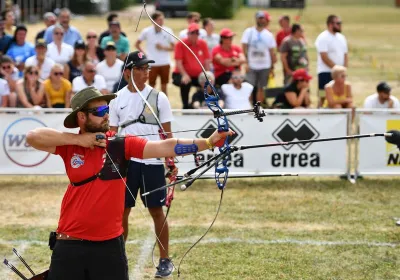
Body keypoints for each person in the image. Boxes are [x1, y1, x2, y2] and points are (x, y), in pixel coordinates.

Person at [26, 86, 232, 280]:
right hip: (69, 243)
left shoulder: (120, 145)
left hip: (110, 247)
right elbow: (32, 136)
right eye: (99, 110)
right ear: (82, 116)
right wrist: (79, 140)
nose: (106, 114)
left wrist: (207, 142)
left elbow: (165, 147)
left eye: (107, 108)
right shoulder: (69, 146)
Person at [109, 50, 177, 278]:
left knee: (157, 211)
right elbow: (112, 133)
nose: (146, 72)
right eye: (140, 68)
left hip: (152, 161)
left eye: (147, 68)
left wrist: (171, 161)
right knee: (122, 211)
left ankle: (165, 260)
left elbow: (168, 134)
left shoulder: (160, 97)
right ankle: (118, 260)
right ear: (128, 72)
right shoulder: (116, 99)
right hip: (127, 163)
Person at [135, 11, 175, 95]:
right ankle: (151, 106)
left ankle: (164, 106)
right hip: (151, 64)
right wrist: (144, 55)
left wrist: (163, 47)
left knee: (164, 87)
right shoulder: (146, 31)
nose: (162, 21)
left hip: (165, 62)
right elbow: (137, 44)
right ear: (153, 21)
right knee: (151, 87)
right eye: (159, 19)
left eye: (162, 19)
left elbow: (173, 47)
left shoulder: (168, 30)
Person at [241, 10, 276, 103]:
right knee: (249, 87)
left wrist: (272, 66)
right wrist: (246, 63)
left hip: (265, 65)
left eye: (263, 18)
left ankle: (258, 107)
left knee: (261, 87)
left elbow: (272, 51)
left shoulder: (268, 34)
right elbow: (244, 48)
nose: (262, 20)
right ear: (256, 19)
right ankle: (248, 106)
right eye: (260, 18)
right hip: (252, 64)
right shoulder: (249, 32)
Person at [173, 23, 210, 109]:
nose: (195, 35)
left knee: (209, 83)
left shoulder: (203, 43)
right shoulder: (181, 44)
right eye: (192, 33)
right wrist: (184, 75)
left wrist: (207, 75)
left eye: (197, 33)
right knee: (185, 82)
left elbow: (207, 61)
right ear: (188, 33)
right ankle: (185, 105)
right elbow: (178, 62)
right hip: (181, 73)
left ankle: (202, 103)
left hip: (198, 75)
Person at [315, 14, 348, 107]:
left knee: (340, 96)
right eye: (338, 23)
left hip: (340, 74)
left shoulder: (342, 37)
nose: (340, 25)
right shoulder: (323, 37)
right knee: (323, 96)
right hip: (325, 72)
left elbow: (345, 54)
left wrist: (343, 70)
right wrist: (336, 69)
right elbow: (324, 56)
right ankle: (319, 113)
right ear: (330, 24)